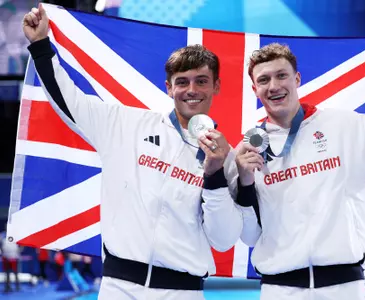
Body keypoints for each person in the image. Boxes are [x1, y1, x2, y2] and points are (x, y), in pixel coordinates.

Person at [22, 4, 243, 300]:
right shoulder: (126, 125)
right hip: (119, 288)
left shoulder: (226, 158)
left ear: (216, 86)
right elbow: (70, 101)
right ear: (168, 88)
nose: (192, 90)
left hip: (182, 292)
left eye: (201, 81)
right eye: (182, 82)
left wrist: (214, 176)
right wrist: (40, 45)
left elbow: (224, 239)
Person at [234, 41, 365, 300]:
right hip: (279, 290)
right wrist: (244, 182)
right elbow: (249, 234)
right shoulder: (248, 148)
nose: (273, 86)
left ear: (297, 79)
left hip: (344, 290)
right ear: (255, 89)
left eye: (281, 75)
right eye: (264, 80)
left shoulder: (345, 128)